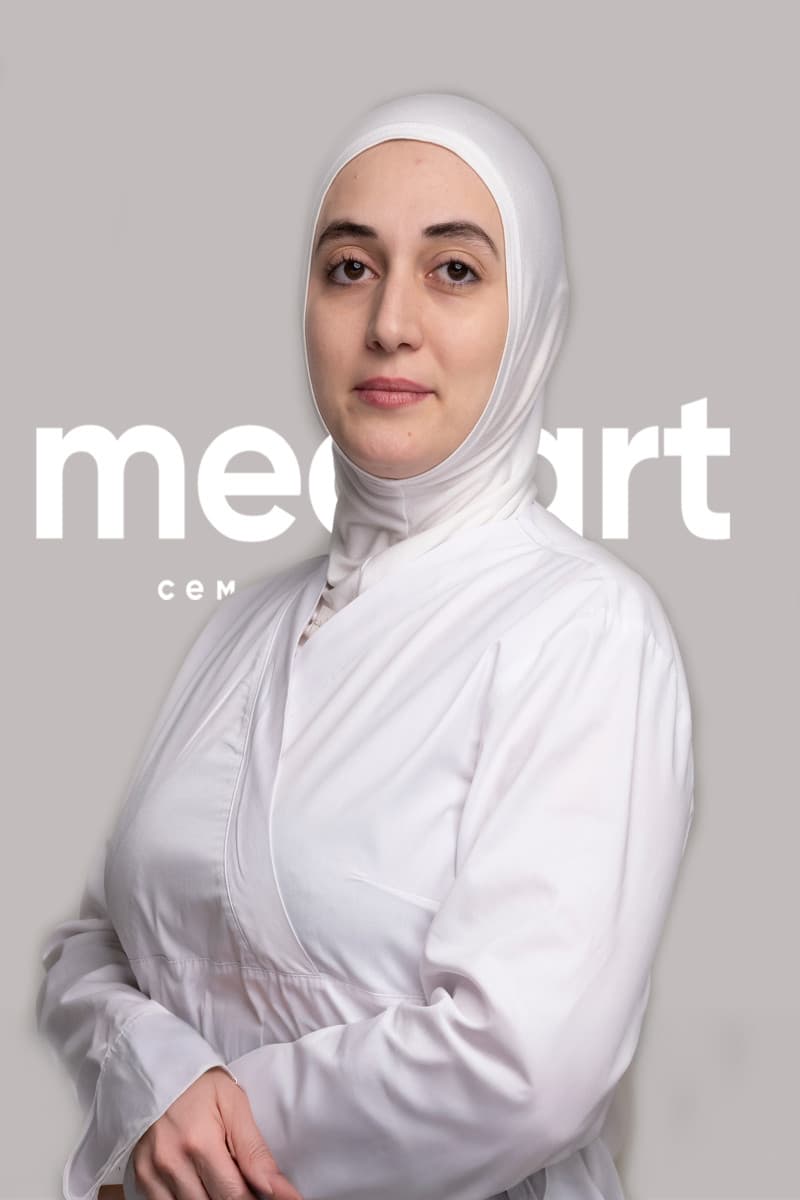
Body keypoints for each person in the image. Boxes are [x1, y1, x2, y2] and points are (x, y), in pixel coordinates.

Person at [36, 91, 695, 1200]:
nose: (389, 321)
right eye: (349, 267)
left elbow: (525, 1071)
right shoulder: (243, 628)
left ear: (532, 316)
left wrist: (197, 1143)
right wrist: (155, 1075)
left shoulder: (582, 629)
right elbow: (91, 946)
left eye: (453, 270)